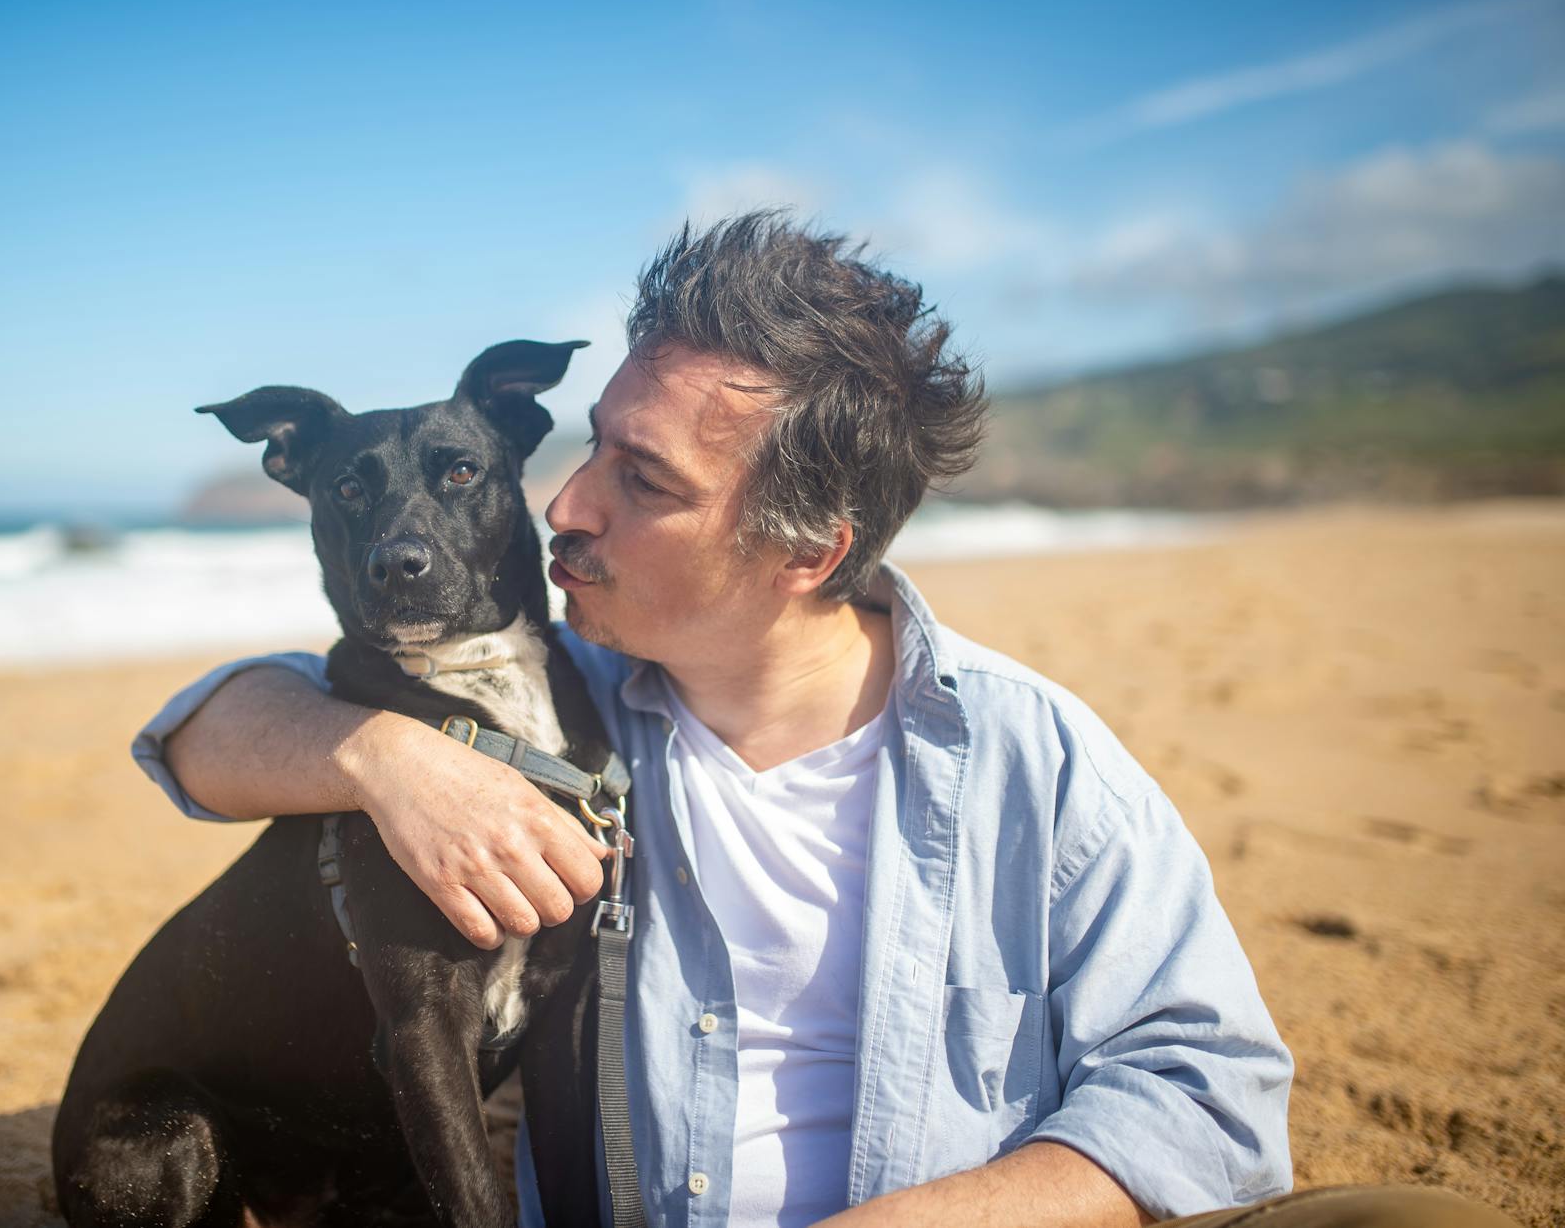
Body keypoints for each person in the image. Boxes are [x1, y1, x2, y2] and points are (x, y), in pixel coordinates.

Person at [131, 214, 1513, 1228]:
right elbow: (203, 730)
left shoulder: (1034, 765)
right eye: (588, 447)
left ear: (805, 548)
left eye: (641, 479)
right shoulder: (559, 723)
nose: (565, 505)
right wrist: (379, 760)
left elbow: (1210, 1089)